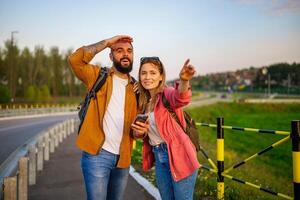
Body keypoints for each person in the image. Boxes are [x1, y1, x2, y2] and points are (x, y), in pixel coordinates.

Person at [68, 35, 148, 200]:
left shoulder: (137, 90)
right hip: (97, 156)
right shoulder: (98, 76)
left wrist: (140, 133)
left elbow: (135, 132)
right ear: (111, 56)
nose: (125, 54)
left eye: (129, 51)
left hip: (123, 159)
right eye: (119, 50)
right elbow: (75, 60)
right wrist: (107, 43)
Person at [131, 57, 200, 200]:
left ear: (161, 76)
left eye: (152, 73)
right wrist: (140, 132)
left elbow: (181, 97)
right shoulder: (144, 102)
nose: (147, 77)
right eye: (143, 73)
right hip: (159, 156)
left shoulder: (167, 93)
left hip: (180, 155)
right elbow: (141, 134)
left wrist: (184, 81)